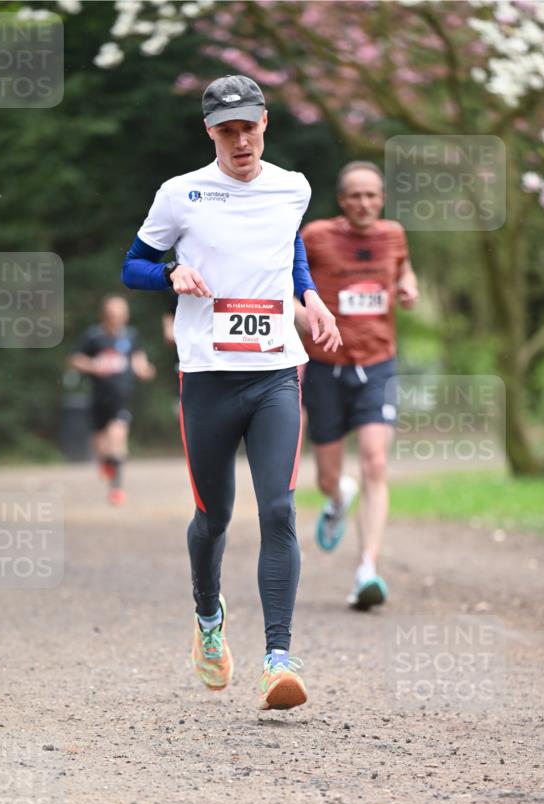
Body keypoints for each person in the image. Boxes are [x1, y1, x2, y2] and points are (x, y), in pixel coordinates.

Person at [122, 74, 340, 711]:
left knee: (278, 508)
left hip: (275, 371)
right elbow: (131, 265)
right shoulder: (180, 194)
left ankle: (279, 659)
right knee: (213, 516)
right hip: (208, 378)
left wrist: (310, 295)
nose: (240, 139)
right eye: (226, 129)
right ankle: (209, 622)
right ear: (209, 132)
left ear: (265, 122)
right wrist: (169, 271)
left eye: (248, 126)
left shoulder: (292, 186)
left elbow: (288, 247)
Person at [296, 162, 418, 610]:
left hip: (378, 365)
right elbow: (285, 283)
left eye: (372, 195)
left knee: (375, 463)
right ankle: (336, 497)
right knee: (329, 475)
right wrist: (306, 316)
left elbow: (403, 270)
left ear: (381, 198)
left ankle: (367, 569)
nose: (365, 203)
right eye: (356, 196)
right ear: (342, 201)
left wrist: (407, 286)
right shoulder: (316, 236)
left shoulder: (394, 235)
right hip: (327, 367)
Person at [68, 295, 155, 505]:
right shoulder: (93, 336)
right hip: (98, 397)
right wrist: (94, 366)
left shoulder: (131, 336)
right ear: (105, 315)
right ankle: (105, 461)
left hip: (121, 397)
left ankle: (116, 489)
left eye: (121, 314)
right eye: (113, 314)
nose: (117, 318)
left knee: (117, 436)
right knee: (100, 444)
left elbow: (139, 361)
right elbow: (75, 359)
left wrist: (145, 369)